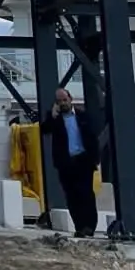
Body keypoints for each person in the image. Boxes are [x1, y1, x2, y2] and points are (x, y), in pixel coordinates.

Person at [41, 88, 100, 237]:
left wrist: (95, 159)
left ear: (70, 99)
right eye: (59, 101)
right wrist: (53, 116)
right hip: (66, 163)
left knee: (86, 194)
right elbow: (44, 130)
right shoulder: (55, 119)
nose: (62, 103)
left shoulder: (82, 116)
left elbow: (92, 138)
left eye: (64, 100)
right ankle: (79, 227)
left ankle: (90, 226)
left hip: (83, 161)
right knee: (71, 196)